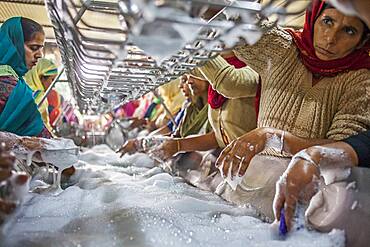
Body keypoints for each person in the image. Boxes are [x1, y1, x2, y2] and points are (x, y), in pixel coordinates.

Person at [202, 0, 369, 218]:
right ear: (314, 18)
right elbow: (237, 20)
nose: (331, 38)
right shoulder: (285, 49)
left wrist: (275, 138)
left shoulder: (361, 81)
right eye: (327, 21)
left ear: (361, 40)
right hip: (244, 187)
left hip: (299, 198)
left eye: (348, 30)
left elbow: (342, 148)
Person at [0, 17, 51, 138]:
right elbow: (40, 136)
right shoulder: (10, 87)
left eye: (40, 48)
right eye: (33, 48)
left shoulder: (16, 82)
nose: (39, 55)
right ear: (13, 44)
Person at [24, 58, 58, 133]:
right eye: (52, 80)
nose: (53, 85)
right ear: (41, 78)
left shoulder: (24, 90)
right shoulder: (38, 97)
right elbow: (41, 126)